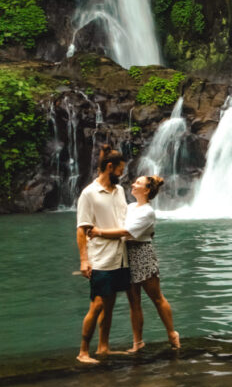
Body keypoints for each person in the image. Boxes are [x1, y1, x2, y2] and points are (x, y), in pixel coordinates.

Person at [88, 174, 180, 350]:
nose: (133, 184)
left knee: (156, 297)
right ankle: (137, 342)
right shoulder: (130, 207)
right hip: (126, 253)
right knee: (133, 300)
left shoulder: (148, 211)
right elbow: (116, 221)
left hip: (142, 254)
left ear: (146, 190)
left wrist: (99, 232)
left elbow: (125, 232)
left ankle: (171, 333)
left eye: (138, 183)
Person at [75, 144, 132, 364]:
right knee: (97, 304)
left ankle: (103, 348)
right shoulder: (89, 194)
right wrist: (84, 260)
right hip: (100, 257)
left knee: (109, 304)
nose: (122, 174)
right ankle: (83, 352)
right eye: (120, 170)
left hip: (120, 256)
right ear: (110, 167)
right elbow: (82, 229)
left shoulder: (119, 192)